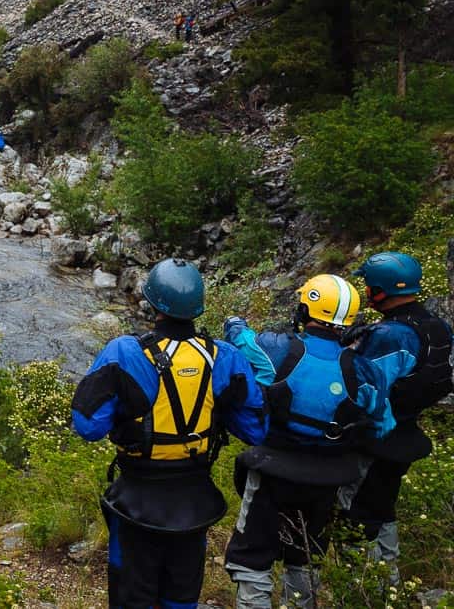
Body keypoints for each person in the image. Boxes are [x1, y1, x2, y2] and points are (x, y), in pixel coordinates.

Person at [72, 258, 266, 609]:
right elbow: (255, 429)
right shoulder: (225, 357)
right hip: (194, 499)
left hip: (137, 499)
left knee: (132, 594)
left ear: (153, 303)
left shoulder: (124, 352)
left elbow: (87, 427)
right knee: (180, 595)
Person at [222, 274, 409, 609]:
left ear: (306, 307)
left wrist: (234, 324)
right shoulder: (365, 370)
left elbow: (242, 341)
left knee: (252, 558)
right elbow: (382, 426)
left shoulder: (276, 348)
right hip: (329, 479)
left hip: (273, 471)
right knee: (305, 557)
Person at [340, 252, 453, 584]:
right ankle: (389, 578)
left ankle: (362, 586)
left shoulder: (390, 335)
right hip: (406, 433)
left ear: (379, 291)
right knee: (382, 505)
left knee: (357, 515)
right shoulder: (438, 326)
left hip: (375, 439)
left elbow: (363, 390)